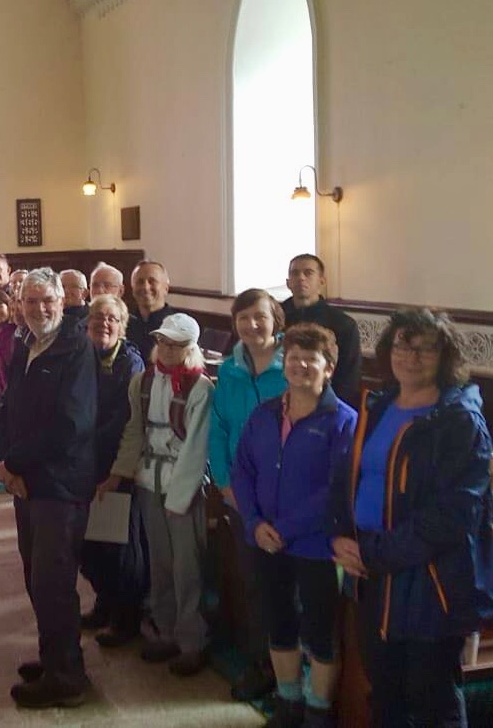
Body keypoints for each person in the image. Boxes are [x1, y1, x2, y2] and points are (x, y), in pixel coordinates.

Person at [328, 308, 493, 728]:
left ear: (446, 357)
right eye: (404, 344)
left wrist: (373, 553)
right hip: (372, 579)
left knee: (432, 699)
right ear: (389, 350)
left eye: (426, 348)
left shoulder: (459, 421)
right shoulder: (379, 406)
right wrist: (340, 537)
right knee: (385, 692)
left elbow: (451, 517)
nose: (412, 356)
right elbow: (349, 478)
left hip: (432, 584)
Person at [230, 323, 357, 728]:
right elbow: (243, 470)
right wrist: (254, 523)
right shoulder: (264, 413)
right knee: (278, 623)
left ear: (329, 369)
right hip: (265, 541)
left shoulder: (343, 421)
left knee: (319, 632)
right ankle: (289, 703)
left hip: (316, 547)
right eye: (295, 358)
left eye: (311, 360)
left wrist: (285, 527)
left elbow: (337, 488)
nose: (301, 365)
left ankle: (318, 711)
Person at [0, 268, 97, 709]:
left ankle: (67, 677)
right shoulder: (25, 344)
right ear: (20, 304)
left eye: (47, 301)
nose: (39, 309)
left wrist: (14, 462)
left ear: (62, 302)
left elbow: (71, 424)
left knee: (54, 581)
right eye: (30, 301)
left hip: (60, 483)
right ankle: (55, 657)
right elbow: (10, 408)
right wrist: (2, 462)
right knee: (36, 578)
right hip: (28, 483)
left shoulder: (75, 348)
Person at [106, 312, 212, 676]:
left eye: (176, 344)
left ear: (190, 348)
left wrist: (179, 499)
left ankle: (191, 641)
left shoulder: (201, 389)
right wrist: (121, 472)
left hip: (182, 486)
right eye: (163, 342)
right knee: (160, 563)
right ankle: (165, 631)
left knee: (187, 567)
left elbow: (197, 447)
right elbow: (135, 430)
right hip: (150, 481)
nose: (167, 349)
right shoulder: (143, 382)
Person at [208, 288, 289, 702]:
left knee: (289, 589)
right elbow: (218, 429)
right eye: (243, 318)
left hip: (289, 498)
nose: (252, 325)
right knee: (255, 584)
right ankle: (263, 666)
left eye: (260, 317)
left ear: (275, 318)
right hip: (242, 497)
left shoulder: (292, 367)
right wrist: (224, 484)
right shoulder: (229, 370)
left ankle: (293, 674)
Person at [79, 293, 147, 648]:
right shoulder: (81, 356)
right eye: (98, 317)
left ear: (122, 327)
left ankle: (126, 618)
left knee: (120, 548)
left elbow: (124, 418)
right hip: (83, 466)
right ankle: (104, 603)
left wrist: (85, 439)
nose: (104, 324)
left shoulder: (131, 364)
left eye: (112, 319)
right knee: (89, 545)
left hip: (116, 466)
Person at [282, 254, 362, 407]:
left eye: (308, 273)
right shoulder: (276, 318)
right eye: (295, 273)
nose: (301, 278)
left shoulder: (343, 324)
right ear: (288, 283)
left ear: (322, 281)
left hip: (326, 404)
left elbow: (349, 378)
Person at [127, 261, 179, 364]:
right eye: (140, 282)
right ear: (133, 289)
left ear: (166, 289)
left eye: (152, 281)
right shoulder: (124, 323)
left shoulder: (178, 327)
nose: (145, 287)